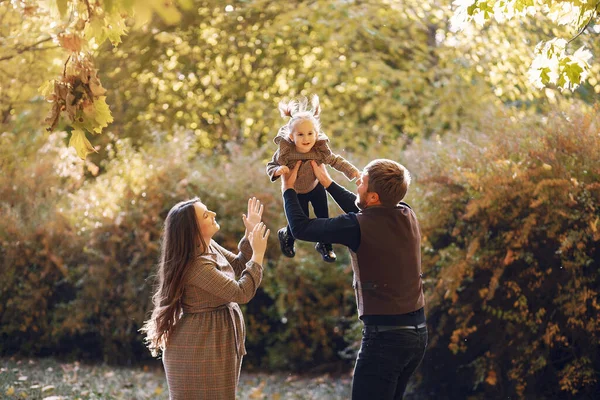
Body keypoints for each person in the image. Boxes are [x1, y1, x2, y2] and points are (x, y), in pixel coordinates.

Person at [281, 159, 427, 400]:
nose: (358, 182)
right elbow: (364, 210)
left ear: (373, 198)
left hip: (385, 339)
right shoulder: (406, 212)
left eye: (363, 182)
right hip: (417, 335)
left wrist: (288, 187)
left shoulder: (356, 226)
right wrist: (327, 183)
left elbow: (301, 227)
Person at [141, 197, 270, 400]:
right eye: (205, 215)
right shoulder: (196, 265)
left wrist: (249, 234)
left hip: (216, 337)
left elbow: (236, 267)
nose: (213, 215)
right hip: (200, 345)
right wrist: (258, 256)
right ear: (192, 229)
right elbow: (241, 293)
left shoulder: (208, 245)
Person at [266, 94, 360, 263]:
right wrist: (278, 170)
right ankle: (287, 235)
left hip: (315, 187)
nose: (306, 138)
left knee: (323, 216)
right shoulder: (286, 153)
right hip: (295, 191)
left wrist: (353, 173)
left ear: (316, 134)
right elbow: (270, 166)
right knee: (300, 221)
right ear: (291, 137)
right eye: (300, 134)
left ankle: (325, 245)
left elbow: (336, 161)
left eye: (310, 133)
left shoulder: (319, 151)